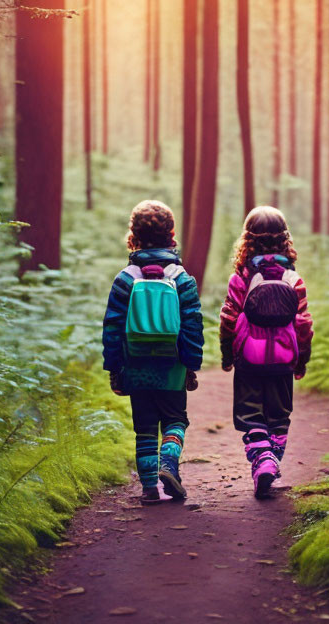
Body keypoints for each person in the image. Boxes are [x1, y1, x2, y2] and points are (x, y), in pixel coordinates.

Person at [102, 200, 203, 505]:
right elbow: (193, 324)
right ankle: (168, 465)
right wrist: (191, 363)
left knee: (145, 427)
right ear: (172, 235)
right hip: (171, 364)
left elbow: (113, 327)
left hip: (136, 364)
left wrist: (114, 368)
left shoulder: (125, 279)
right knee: (175, 420)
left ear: (132, 235)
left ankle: (149, 490)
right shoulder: (182, 278)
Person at [219, 206, 313, 498]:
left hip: (248, 359)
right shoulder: (293, 280)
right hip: (284, 359)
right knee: (279, 416)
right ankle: (271, 462)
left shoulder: (241, 279)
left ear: (247, 240)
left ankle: (263, 461)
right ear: (285, 240)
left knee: (250, 415)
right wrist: (301, 359)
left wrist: (227, 354)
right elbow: (303, 324)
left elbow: (228, 319)